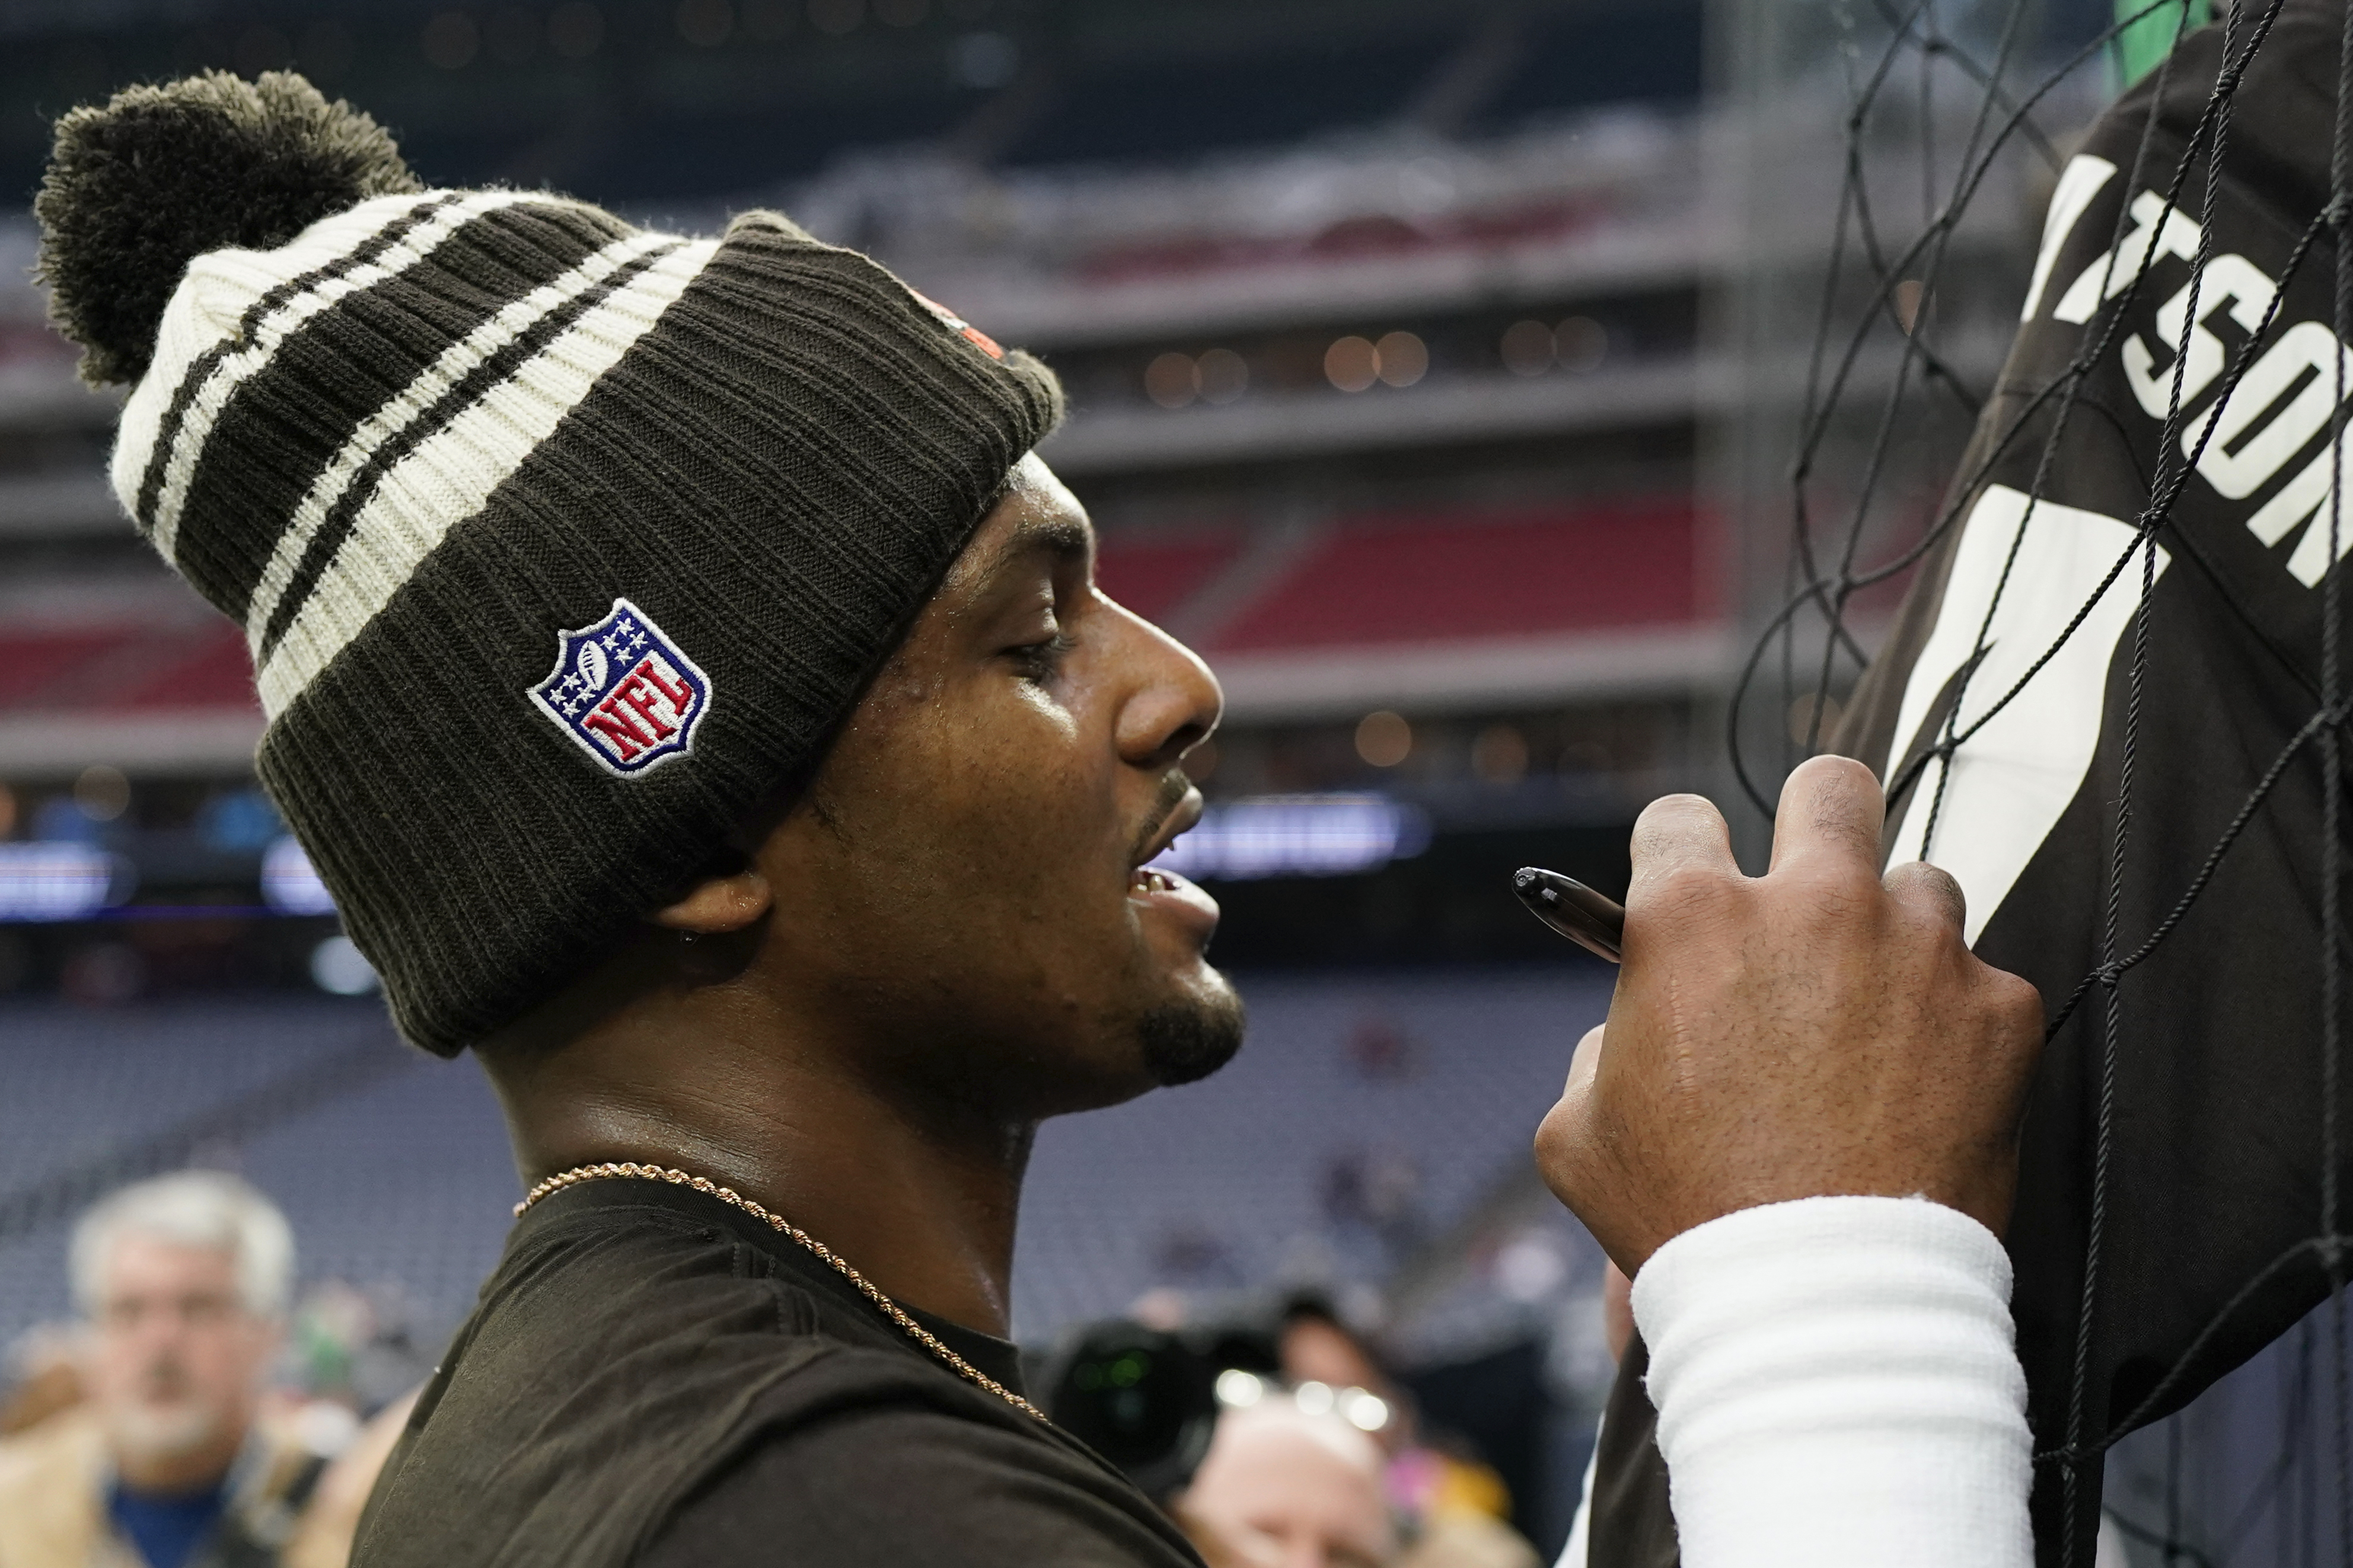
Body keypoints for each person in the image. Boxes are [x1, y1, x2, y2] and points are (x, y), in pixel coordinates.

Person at [32, 69, 2045, 1568]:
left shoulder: (660, 1425)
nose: (1178, 684)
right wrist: (1826, 1289)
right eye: (1029, 637)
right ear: (690, 830)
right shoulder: (821, 1510)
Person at [0, 1172, 343, 1568]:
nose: (161, 1342)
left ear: (269, 1334)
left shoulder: (344, 1505)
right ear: (91, 1335)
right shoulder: (13, 1505)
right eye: (129, 1311)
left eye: (198, 1308)